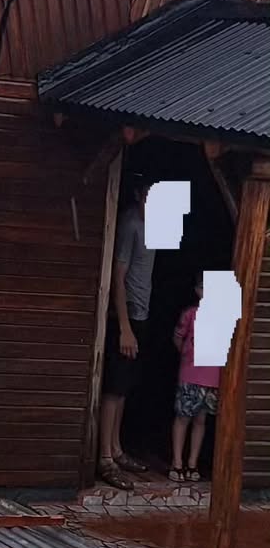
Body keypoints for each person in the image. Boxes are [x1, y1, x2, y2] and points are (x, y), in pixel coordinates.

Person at [98, 175, 156, 489]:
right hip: (128, 313)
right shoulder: (130, 223)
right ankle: (105, 456)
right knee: (114, 385)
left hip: (142, 312)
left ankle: (117, 449)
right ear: (138, 194)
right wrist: (123, 327)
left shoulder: (155, 224)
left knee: (126, 386)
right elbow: (117, 277)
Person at [169, 276, 220, 484]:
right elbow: (177, 337)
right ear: (197, 290)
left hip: (213, 377)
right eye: (203, 287)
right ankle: (177, 462)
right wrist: (187, 357)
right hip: (190, 374)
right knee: (183, 417)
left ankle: (192, 463)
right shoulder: (190, 314)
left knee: (201, 420)